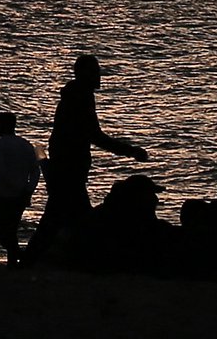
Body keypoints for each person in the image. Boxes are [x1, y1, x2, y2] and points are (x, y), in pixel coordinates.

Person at [29, 55, 149, 259]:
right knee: (62, 219)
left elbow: (74, 136)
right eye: (94, 71)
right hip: (70, 171)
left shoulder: (77, 95)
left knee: (61, 218)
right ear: (83, 73)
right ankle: (32, 259)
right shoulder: (80, 97)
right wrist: (131, 151)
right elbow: (94, 135)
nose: (99, 75)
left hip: (68, 169)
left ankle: (33, 258)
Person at [0, 111, 41, 265]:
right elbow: (36, 171)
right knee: (11, 231)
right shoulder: (26, 144)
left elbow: (3, 169)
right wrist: (28, 189)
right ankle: (14, 261)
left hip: (7, 194)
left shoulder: (0, 144)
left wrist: (17, 188)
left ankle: (20, 257)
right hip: (22, 194)